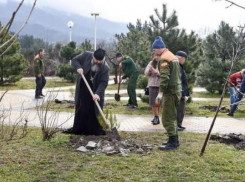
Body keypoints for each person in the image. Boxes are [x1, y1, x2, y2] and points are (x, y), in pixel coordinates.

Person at [63, 48, 109, 135]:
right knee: (82, 109)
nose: (98, 62)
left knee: (93, 110)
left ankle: (92, 130)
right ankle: (80, 129)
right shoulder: (86, 55)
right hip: (83, 88)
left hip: (95, 91)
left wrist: (98, 93)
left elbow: (104, 82)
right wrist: (79, 67)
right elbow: (74, 60)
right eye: (96, 60)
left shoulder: (105, 68)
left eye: (101, 61)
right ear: (93, 57)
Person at [152, 36, 182, 151]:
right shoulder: (172, 56)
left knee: (167, 117)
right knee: (172, 116)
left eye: (154, 50)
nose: (154, 52)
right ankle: (173, 139)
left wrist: (160, 92)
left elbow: (164, 77)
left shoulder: (164, 58)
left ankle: (173, 142)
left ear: (159, 48)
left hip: (170, 92)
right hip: (177, 90)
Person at [144, 54, 161, 125]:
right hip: (152, 85)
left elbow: (164, 74)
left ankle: (157, 116)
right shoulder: (151, 63)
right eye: (155, 56)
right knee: (153, 102)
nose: (156, 57)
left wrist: (156, 72)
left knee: (159, 102)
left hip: (160, 85)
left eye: (158, 56)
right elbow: (145, 73)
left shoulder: (163, 63)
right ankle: (155, 117)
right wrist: (150, 71)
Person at [176, 51, 189, 131]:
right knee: (179, 109)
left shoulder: (180, 67)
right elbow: (179, 81)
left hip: (181, 91)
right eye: (184, 59)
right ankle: (177, 125)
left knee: (181, 109)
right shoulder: (178, 67)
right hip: (179, 92)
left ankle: (179, 124)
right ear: (181, 58)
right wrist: (181, 92)